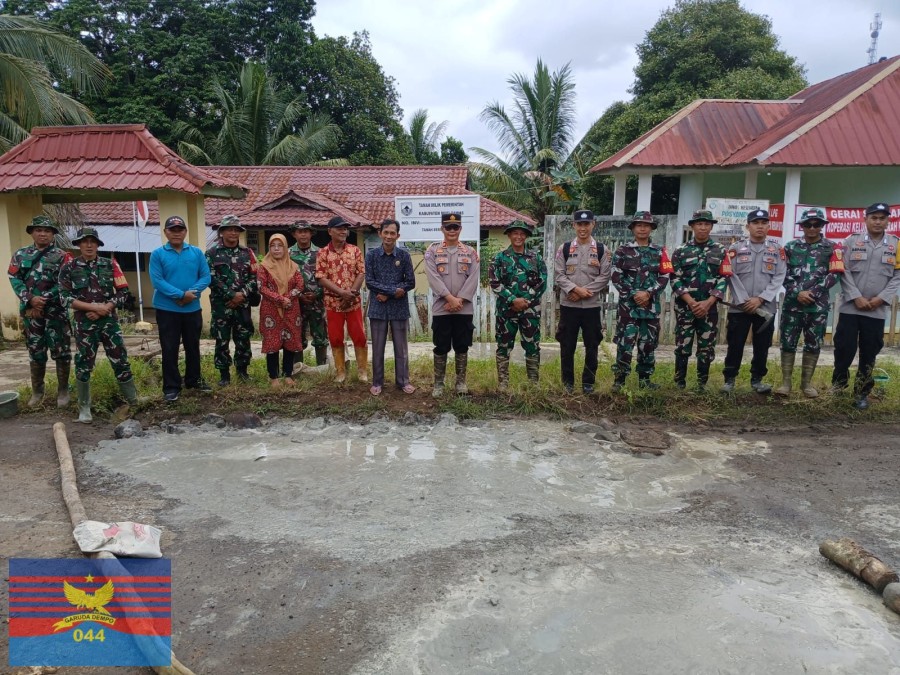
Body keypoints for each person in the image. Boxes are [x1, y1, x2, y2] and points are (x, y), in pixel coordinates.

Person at [58, 228, 138, 423]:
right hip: (84, 323)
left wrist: (107, 307)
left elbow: (123, 291)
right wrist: (91, 307)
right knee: (84, 364)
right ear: (78, 244)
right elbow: (64, 297)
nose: (88, 245)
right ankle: (84, 408)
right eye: (84, 241)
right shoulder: (68, 268)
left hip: (109, 322)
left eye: (92, 241)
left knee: (120, 359)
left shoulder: (110, 264)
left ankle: (133, 400)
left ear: (98, 244)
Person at [831, 202, 900, 410]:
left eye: (882, 218)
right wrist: (855, 296)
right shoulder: (851, 241)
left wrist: (881, 298)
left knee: (869, 352)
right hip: (851, 307)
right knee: (844, 348)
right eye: (874, 218)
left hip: (876, 310)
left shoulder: (896, 245)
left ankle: (861, 392)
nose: (878, 222)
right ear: (865, 219)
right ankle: (838, 386)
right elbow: (844, 270)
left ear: (888, 220)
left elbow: (897, 275)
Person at [776, 208, 843, 398]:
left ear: (822, 226)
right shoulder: (789, 247)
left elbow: (835, 273)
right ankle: (786, 383)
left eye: (816, 224)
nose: (812, 228)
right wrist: (798, 292)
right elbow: (782, 273)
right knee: (788, 343)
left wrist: (813, 292)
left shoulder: (832, 248)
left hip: (817, 306)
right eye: (808, 224)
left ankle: (806, 384)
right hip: (792, 305)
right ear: (802, 226)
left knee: (813, 344)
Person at [7, 215, 73, 408]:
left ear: (53, 234)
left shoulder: (63, 256)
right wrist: (30, 299)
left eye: (47, 231)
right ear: (32, 232)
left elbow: (66, 282)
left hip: (55, 312)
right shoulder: (20, 255)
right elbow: (14, 277)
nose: (43, 233)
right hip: (31, 313)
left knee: (61, 351)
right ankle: (37, 392)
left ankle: (63, 391)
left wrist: (42, 300)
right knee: (35, 351)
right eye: (38, 230)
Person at [721, 209, 786, 394]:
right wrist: (743, 300)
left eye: (764, 223)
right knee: (735, 344)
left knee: (762, 345)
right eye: (756, 223)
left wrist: (761, 298)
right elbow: (729, 275)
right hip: (739, 307)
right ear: (748, 226)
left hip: (765, 308)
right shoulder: (735, 249)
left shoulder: (777, 250)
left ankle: (757, 380)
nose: (760, 226)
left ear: (768, 226)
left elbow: (779, 276)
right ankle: (730, 379)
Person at [149, 215, 211, 402]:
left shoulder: (196, 253)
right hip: (167, 309)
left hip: (192, 309)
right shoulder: (158, 254)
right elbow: (157, 280)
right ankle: (171, 386)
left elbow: (206, 277)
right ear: (166, 232)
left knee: (193, 346)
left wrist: (190, 294)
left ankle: (193, 380)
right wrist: (180, 295)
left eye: (180, 230)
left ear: (185, 232)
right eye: (172, 230)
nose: (176, 233)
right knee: (170, 348)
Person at [610, 211, 672, 391]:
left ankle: (645, 380)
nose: (643, 228)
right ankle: (619, 380)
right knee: (624, 343)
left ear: (651, 228)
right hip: (628, 308)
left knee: (648, 344)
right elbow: (616, 276)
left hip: (650, 307)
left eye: (646, 225)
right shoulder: (623, 251)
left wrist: (648, 294)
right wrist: (634, 295)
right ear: (633, 228)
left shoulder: (660, 251)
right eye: (639, 225)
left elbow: (665, 275)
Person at [670, 210, 731, 391]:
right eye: (699, 224)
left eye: (706, 224)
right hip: (685, 308)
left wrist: (708, 302)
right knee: (682, 346)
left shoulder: (720, 251)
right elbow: (674, 279)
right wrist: (691, 302)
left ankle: (701, 384)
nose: (703, 227)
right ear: (692, 226)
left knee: (706, 348)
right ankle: (679, 383)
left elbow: (724, 278)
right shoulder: (681, 251)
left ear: (711, 226)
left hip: (709, 309)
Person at [554, 209, 611, 394]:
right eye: (579, 224)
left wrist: (585, 292)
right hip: (568, 305)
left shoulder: (602, 249)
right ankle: (568, 383)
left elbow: (605, 276)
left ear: (593, 224)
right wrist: (575, 289)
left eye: (586, 224)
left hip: (591, 306)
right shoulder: (564, 248)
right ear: (574, 225)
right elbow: (559, 275)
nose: (583, 228)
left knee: (592, 344)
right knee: (567, 344)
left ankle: (588, 383)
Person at [424, 213, 480, 397]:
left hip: (464, 309)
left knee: (462, 345)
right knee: (441, 346)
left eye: (455, 227)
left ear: (460, 229)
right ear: (442, 229)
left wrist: (459, 301)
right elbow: (433, 277)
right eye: (448, 227)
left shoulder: (470, 252)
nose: (452, 231)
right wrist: (450, 299)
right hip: (442, 309)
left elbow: (473, 278)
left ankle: (460, 382)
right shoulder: (432, 251)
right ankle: (439, 384)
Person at [488, 220, 547, 390]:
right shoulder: (499, 258)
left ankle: (533, 383)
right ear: (509, 235)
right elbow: (494, 282)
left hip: (530, 311)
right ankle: (503, 383)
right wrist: (512, 299)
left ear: (526, 236)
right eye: (515, 233)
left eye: (522, 234)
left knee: (533, 345)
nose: (518, 236)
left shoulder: (536, 258)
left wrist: (526, 300)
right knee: (503, 346)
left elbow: (543, 281)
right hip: (507, 311)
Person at [364, 219, 416, 395]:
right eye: (385, 232)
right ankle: (377, 382)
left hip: (399, 308)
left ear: (397, 236)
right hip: (378, 307)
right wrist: (392, 291)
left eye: (392, 233)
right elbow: (370, 282)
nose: (388, 236)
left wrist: (388, 293)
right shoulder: (371, 255)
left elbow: (410, 282)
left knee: (401, 348)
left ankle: (403, 381)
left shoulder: (404, 256)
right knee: (377, 347)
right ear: (380, 234)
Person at [206, 214, 257, 387]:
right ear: (222, 232)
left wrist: (241, 294)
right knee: (222, 339)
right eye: (229, 229)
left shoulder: (247, 253)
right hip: (222, 306)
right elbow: (210, 278)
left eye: (236, 230)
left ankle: (242, 371)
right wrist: (230, 295)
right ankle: (224, 375)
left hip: (242, 304)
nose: (233, 233)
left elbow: (254, 277)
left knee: (243, 338)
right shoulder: (212, 253)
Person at [314, 215, 366, 383]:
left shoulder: (355, 250)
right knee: (335, 338)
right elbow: (321, 277)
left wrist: (350, 293)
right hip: (332, 303)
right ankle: (340, 372)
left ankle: (362, 371)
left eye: (345, 228)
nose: (343, 231)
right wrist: (341, 293)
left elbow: (361, 272)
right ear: (330, 231)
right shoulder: (322, 253)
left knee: (359, 336)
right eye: (339, 228)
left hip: (353, 302)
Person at [257, 234, 304, 388]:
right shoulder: (263, 266)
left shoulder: (294, 266)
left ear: (285, 248)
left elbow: (300, 286)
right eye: (273, 245)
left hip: (291, 308)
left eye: (280, 245)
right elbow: (261, 287)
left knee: (290, 341)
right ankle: (273, 377)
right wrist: (279, 299)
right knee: (272, 341)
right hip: (271, 309)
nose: (276, 249)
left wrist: (288, 297)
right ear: (269, 248)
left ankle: (288, 375)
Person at [288, 220, 328, 366]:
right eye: (300, 231)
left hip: (317, 301)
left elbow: (329, 277)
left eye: (306, 231)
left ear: (311, 233)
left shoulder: (321, 253)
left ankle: (322, 366)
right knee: (296, 334)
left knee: (320, 334)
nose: (303, 234)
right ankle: (297, 367)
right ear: (294, 234)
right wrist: (299, 295)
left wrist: (318, 293)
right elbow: (284, 278)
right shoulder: (288, 254)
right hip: (296, 302)